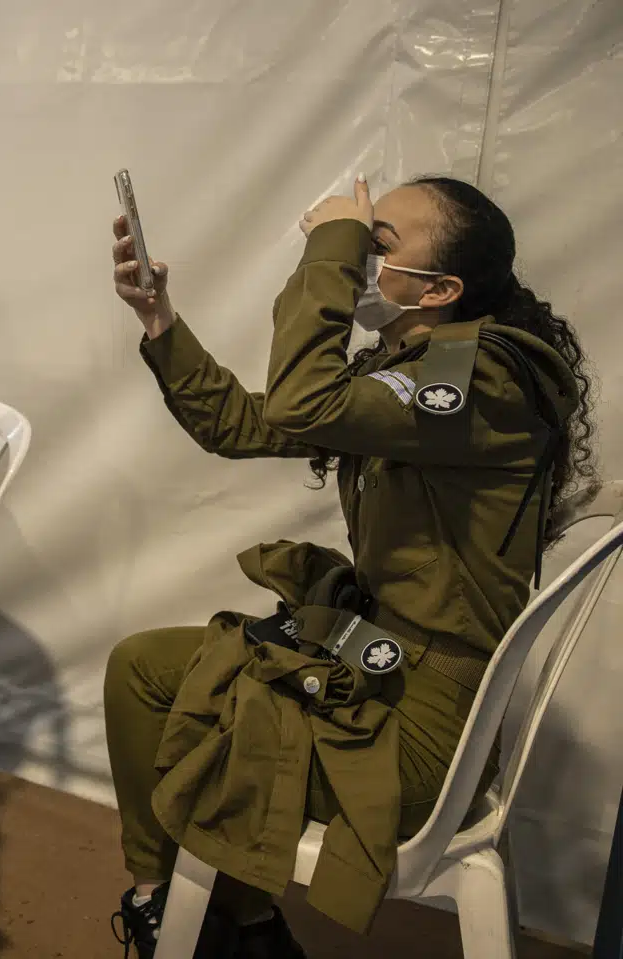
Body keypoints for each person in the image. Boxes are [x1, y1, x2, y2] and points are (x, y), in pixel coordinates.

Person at [102, 175, 592, 957]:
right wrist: (158, 319)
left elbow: (306, 404)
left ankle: (206, 921)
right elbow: (239, 424)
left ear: (439, 289)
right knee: (142, 668)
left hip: (421, 734)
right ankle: (195, 910)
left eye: (377, 242)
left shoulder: (483, 380)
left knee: (176, 686)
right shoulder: (418, 371)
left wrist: (328, 249)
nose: (359, 250)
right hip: (376, 668)